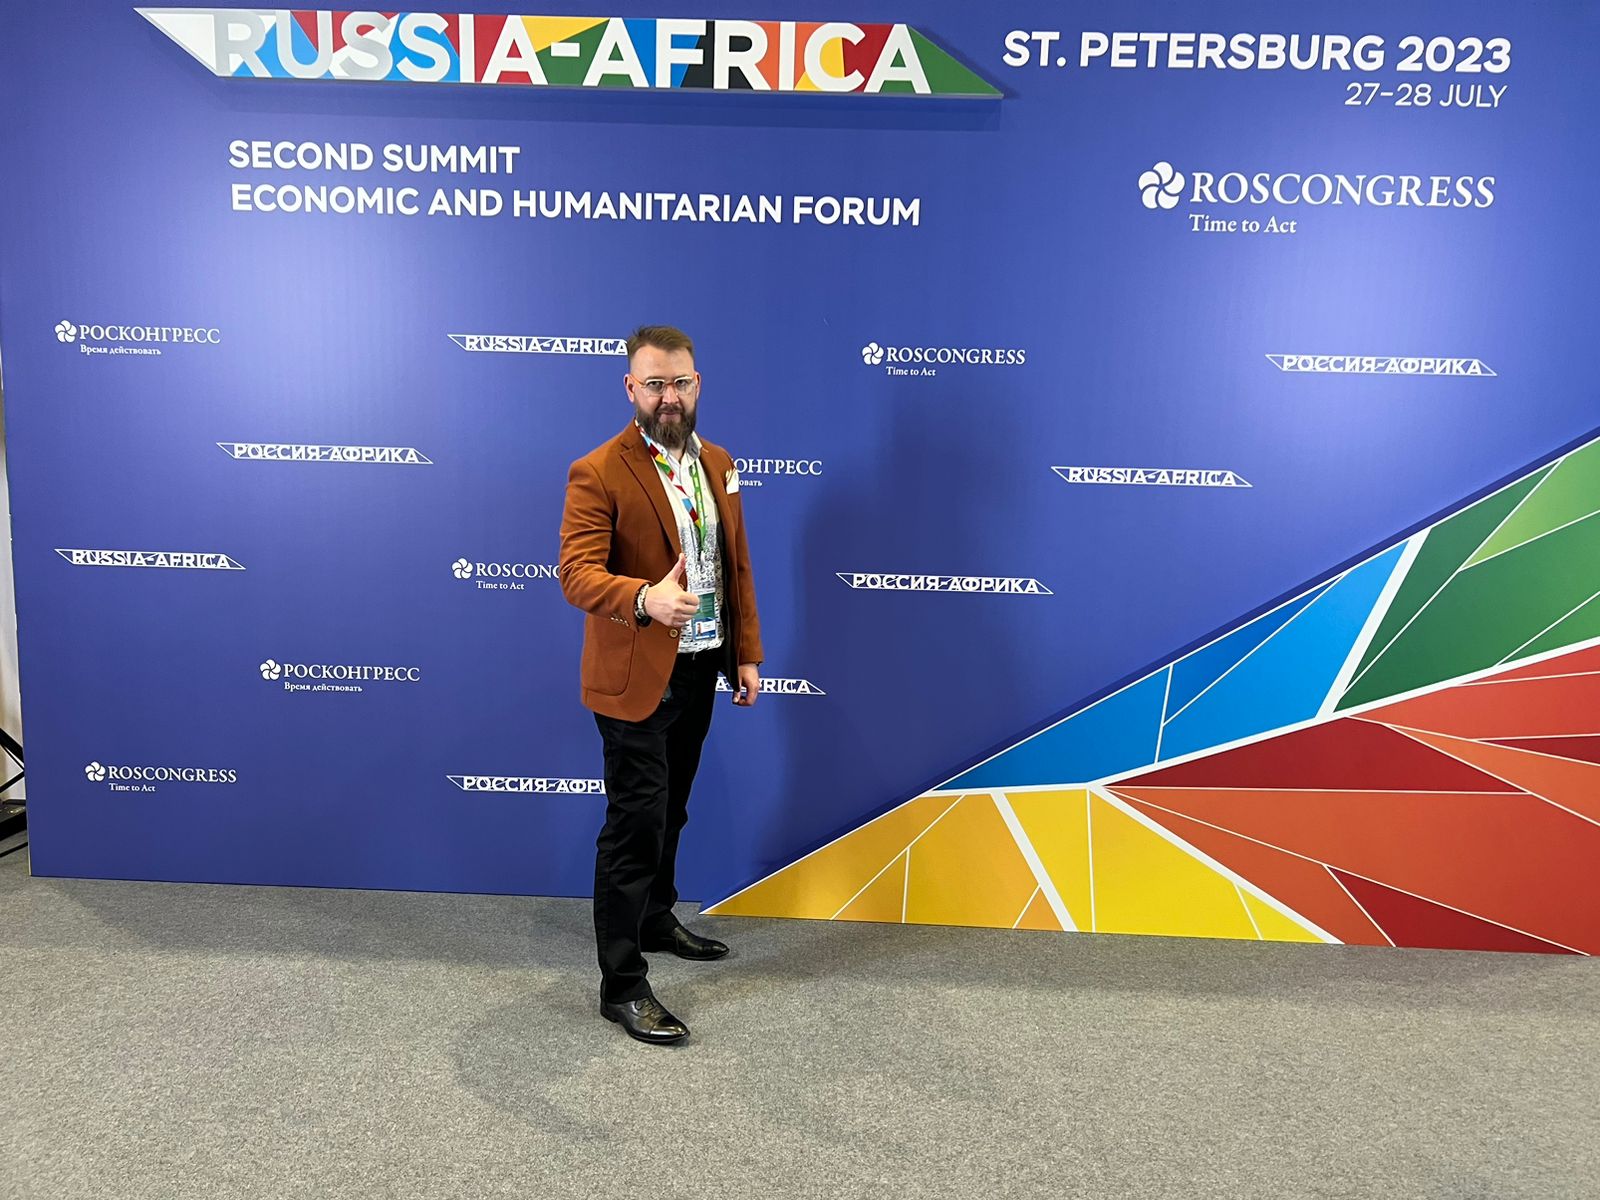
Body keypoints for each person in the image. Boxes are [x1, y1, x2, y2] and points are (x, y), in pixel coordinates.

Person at [557, 325, 763, 1046]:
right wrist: (645, 597)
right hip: (634, 677)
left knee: (672, 810)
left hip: (702, 664)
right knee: (635, 824)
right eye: (653, 384)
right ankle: (622, 983)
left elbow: (735, 565)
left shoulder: (719, 463)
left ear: (696, 384)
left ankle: (654, 918)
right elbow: (577, 574)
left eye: (679, 382)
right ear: (630, 388)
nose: (667, 396)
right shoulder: (598, 470)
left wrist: (745, 652)